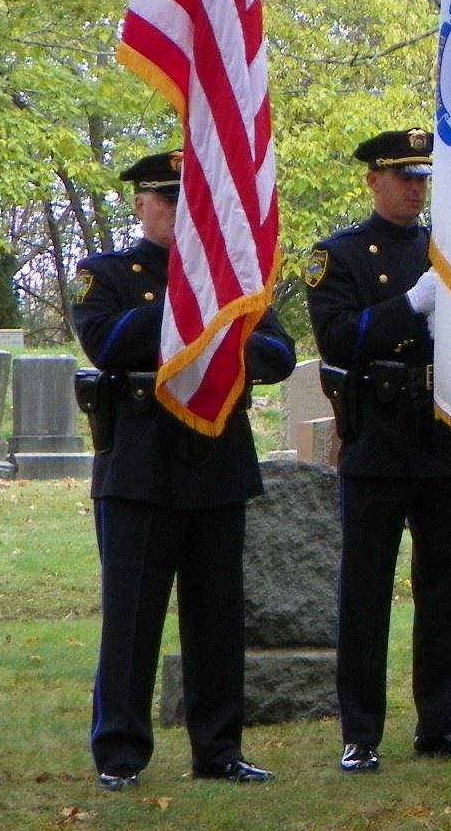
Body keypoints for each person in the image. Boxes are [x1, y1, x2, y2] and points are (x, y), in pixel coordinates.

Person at [74, 147, 295, 789]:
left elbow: (278, 353)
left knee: (218, 616)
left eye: (188, 200)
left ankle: (219, 748)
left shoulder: (235, 276)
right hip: (141, 466)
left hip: (217, 461)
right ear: (140, 205)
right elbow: (109, 343)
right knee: (133, 618)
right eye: (166, 201)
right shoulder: (108, 272)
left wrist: (222, 332)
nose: (177, 212)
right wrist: (187, 302)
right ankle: (120, 752)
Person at [306, 129, 451, 773]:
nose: (415, 188)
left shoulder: (446, 249)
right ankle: (360, 731)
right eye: (402, 177)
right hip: (379, 439)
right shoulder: (340, 256)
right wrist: (411, 304)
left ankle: (443, 723)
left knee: (448, 590)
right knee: (366, 591)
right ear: (373, 180)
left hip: (443, 432)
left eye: (422, 178)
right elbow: (338, 339)